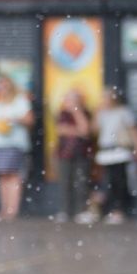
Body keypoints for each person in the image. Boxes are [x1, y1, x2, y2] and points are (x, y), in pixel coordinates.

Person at [78, 86, 137, 226]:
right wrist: (97, 112)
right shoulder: (102, 113)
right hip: (105, 152)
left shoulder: (123, 112)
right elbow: (93, 130)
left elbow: (134, 131)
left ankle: (118, 210)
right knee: (104, 183)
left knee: (119, 182)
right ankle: (99, 210)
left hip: (120, 151)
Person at [0, 73, 34, 221]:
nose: (3, 89)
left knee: (14, 176)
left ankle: (13, 209)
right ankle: (4, 208)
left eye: (5, 85)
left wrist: (13, 120)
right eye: (0, 86)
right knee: (3, 176)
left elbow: (29, 119)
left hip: (15, 144)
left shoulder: (20, 101)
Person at [55, 88, 92, 222]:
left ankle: (81, 210)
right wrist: (78, 131)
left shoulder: (86, 112)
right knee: (65, 182)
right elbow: (61, 130)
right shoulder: (62, 113)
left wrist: (77, 112)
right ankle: (65, 210)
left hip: (82, 152)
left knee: (81, 182)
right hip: (65, 153)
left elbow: (85, 130)